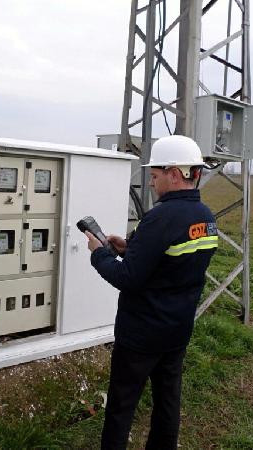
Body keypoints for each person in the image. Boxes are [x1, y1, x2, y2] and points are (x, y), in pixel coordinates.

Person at [84, 135, 218, 449]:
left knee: (121, 406)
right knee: (168, 401)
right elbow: (172, 261)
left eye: (155, 176)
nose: (152, 183)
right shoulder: (206, 217)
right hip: (177, 331)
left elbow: (127, 277)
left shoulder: (160, 218)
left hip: (141, 336)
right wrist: (129, 248)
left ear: (175, 173)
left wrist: (99, 253)